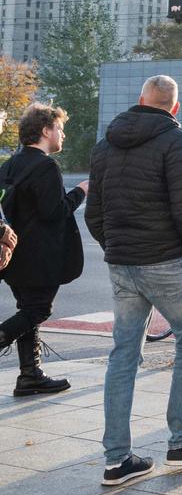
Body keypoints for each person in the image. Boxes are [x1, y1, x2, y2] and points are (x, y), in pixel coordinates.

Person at [87, 75, 182, 486]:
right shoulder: (176, 142)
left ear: (140, 99)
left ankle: (116, 459)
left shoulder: (106, 145)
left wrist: (117, 244)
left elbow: (94, 212)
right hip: (167, 261)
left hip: (122, 262)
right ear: (174, 107)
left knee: (123, 354)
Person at [0, 104, 86, 396]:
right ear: (46, 130)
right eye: (60, 129)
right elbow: (54, 211)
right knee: (38, 309)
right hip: (39, 257)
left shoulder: (11, 163)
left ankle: (30, 375)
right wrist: (82, 191)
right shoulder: (45, 165)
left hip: (13, 255)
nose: (63, 135)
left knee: (27, 309)